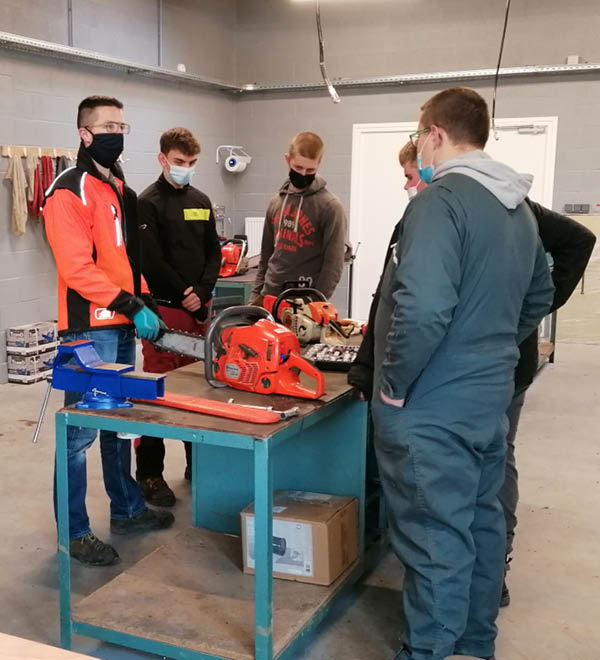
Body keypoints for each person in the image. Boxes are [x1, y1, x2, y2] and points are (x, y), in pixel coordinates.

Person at [349, 141, 596, 609]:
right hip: (483, 367)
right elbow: (392, 299)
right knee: (476, 488)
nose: (407, 184)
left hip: (473, 374)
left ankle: (457, 609)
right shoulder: (466, 211)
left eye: (411, 173)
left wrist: (505, 330)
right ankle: (474, 611)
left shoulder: (487, 207)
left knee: (463, 497)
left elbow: (423, 309)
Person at [371, 87, 555, 660]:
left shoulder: (439, 201)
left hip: (432, 404)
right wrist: (486, 344)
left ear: (434, 132)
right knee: (479, 523)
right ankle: (474, 644)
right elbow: (540, 294)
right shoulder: (516, 206)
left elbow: (422, 308)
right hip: (488, 398)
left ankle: (426, 652)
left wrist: (395, 383)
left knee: (433, 539)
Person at [43, 96, 174, 567]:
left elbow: (122, 261)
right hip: (87, 331)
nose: (116, 132)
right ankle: (75, 532)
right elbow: (77, 269)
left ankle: (128, 509)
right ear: (84, 133)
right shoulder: (69, 190)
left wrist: (145, 299)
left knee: (119, 424)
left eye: (122, 123)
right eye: (107, 125)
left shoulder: (117, 187)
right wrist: (127, 303)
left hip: (120, 324)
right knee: (78, 436)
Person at [135, 127, 222, 505]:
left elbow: (214, 252)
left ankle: (197, 463)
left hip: (199, 312)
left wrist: (201, 291)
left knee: (198, 392)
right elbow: (149, 259)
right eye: (179, 162)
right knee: (157, 394)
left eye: (191, 163)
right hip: (164, 314)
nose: (185, 168)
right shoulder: (147, 203)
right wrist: (183, 293)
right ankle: (151, 473)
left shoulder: (201, 200)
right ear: (163, 159)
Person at [248, 131, 348, 305]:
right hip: (269, 296)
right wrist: (255, 297)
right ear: (288, 160)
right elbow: (266, 256)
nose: (303, 174)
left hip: (304, 301)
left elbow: (333, 265)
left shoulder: (330, 207)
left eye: (310, 170)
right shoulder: (276, 202)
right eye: (298, 168)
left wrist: (316, 304)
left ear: (319, 163)